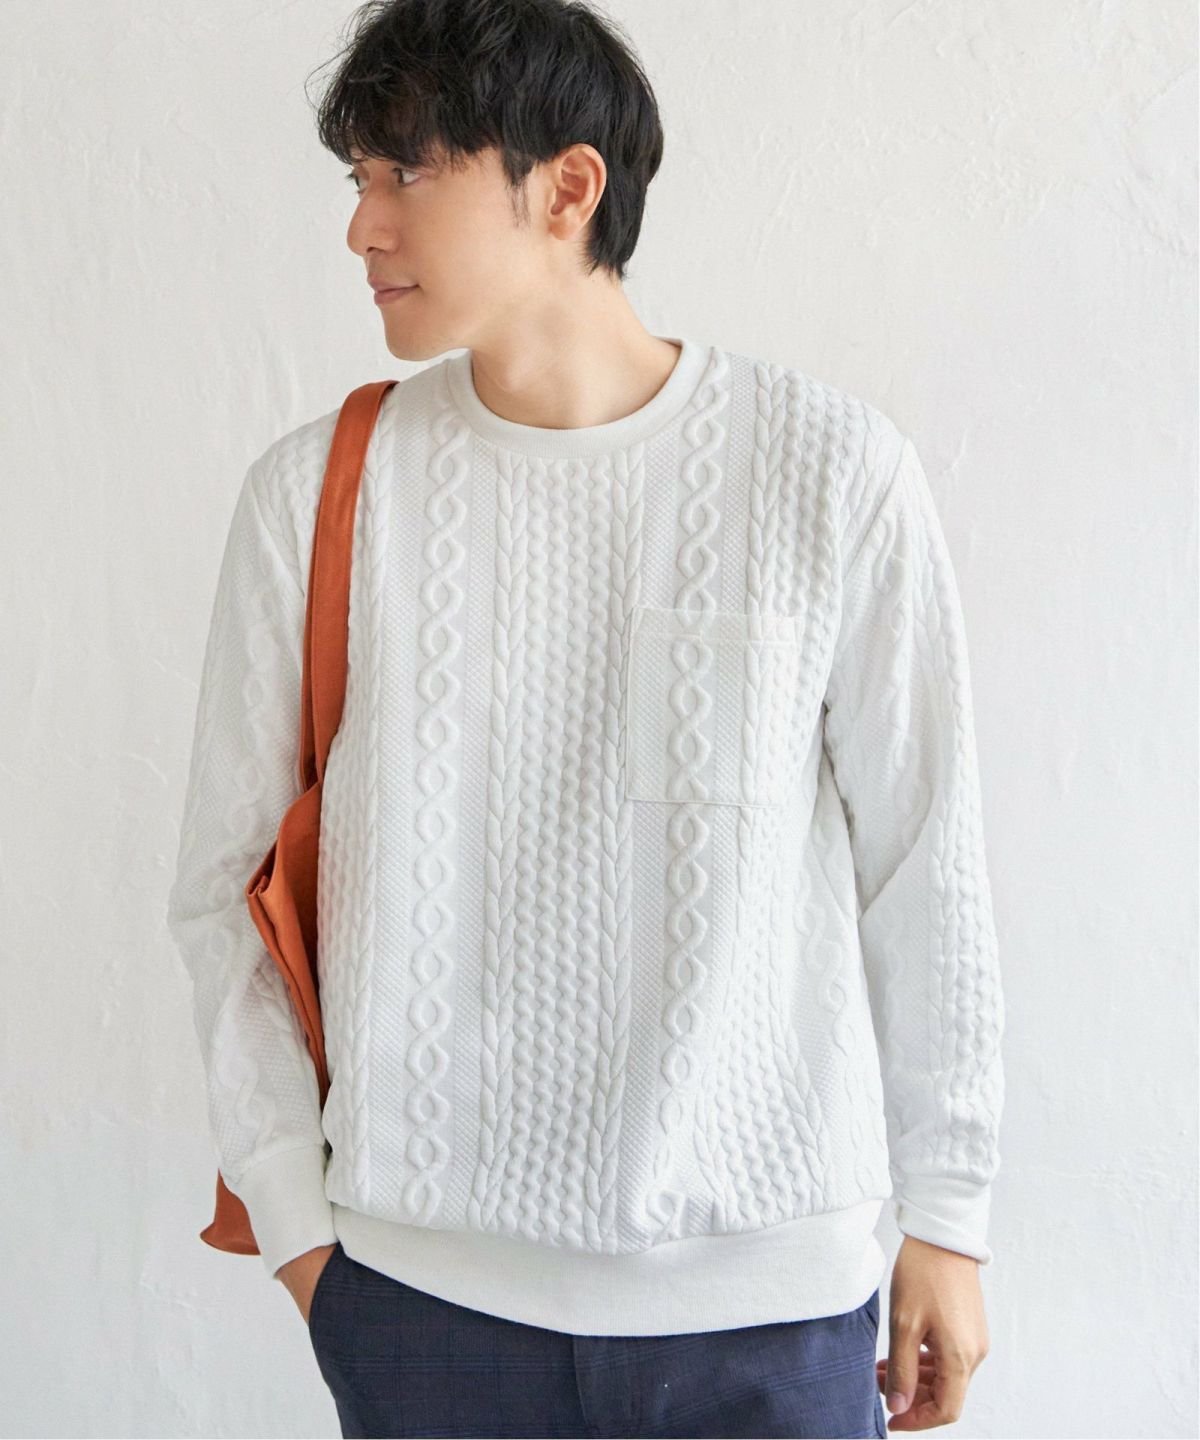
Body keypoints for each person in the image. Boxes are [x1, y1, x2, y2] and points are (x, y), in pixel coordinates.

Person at [165, 1, 1006, 1435]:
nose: (362, 227)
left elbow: (927, 867)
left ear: (566, 188)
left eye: (406, 173)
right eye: (357, 179)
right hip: (424, 1316)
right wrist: (303, 1238)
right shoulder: (317, 493)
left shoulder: (829, 472)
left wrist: (952, 1216)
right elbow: (221, 895)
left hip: (771, 1318)